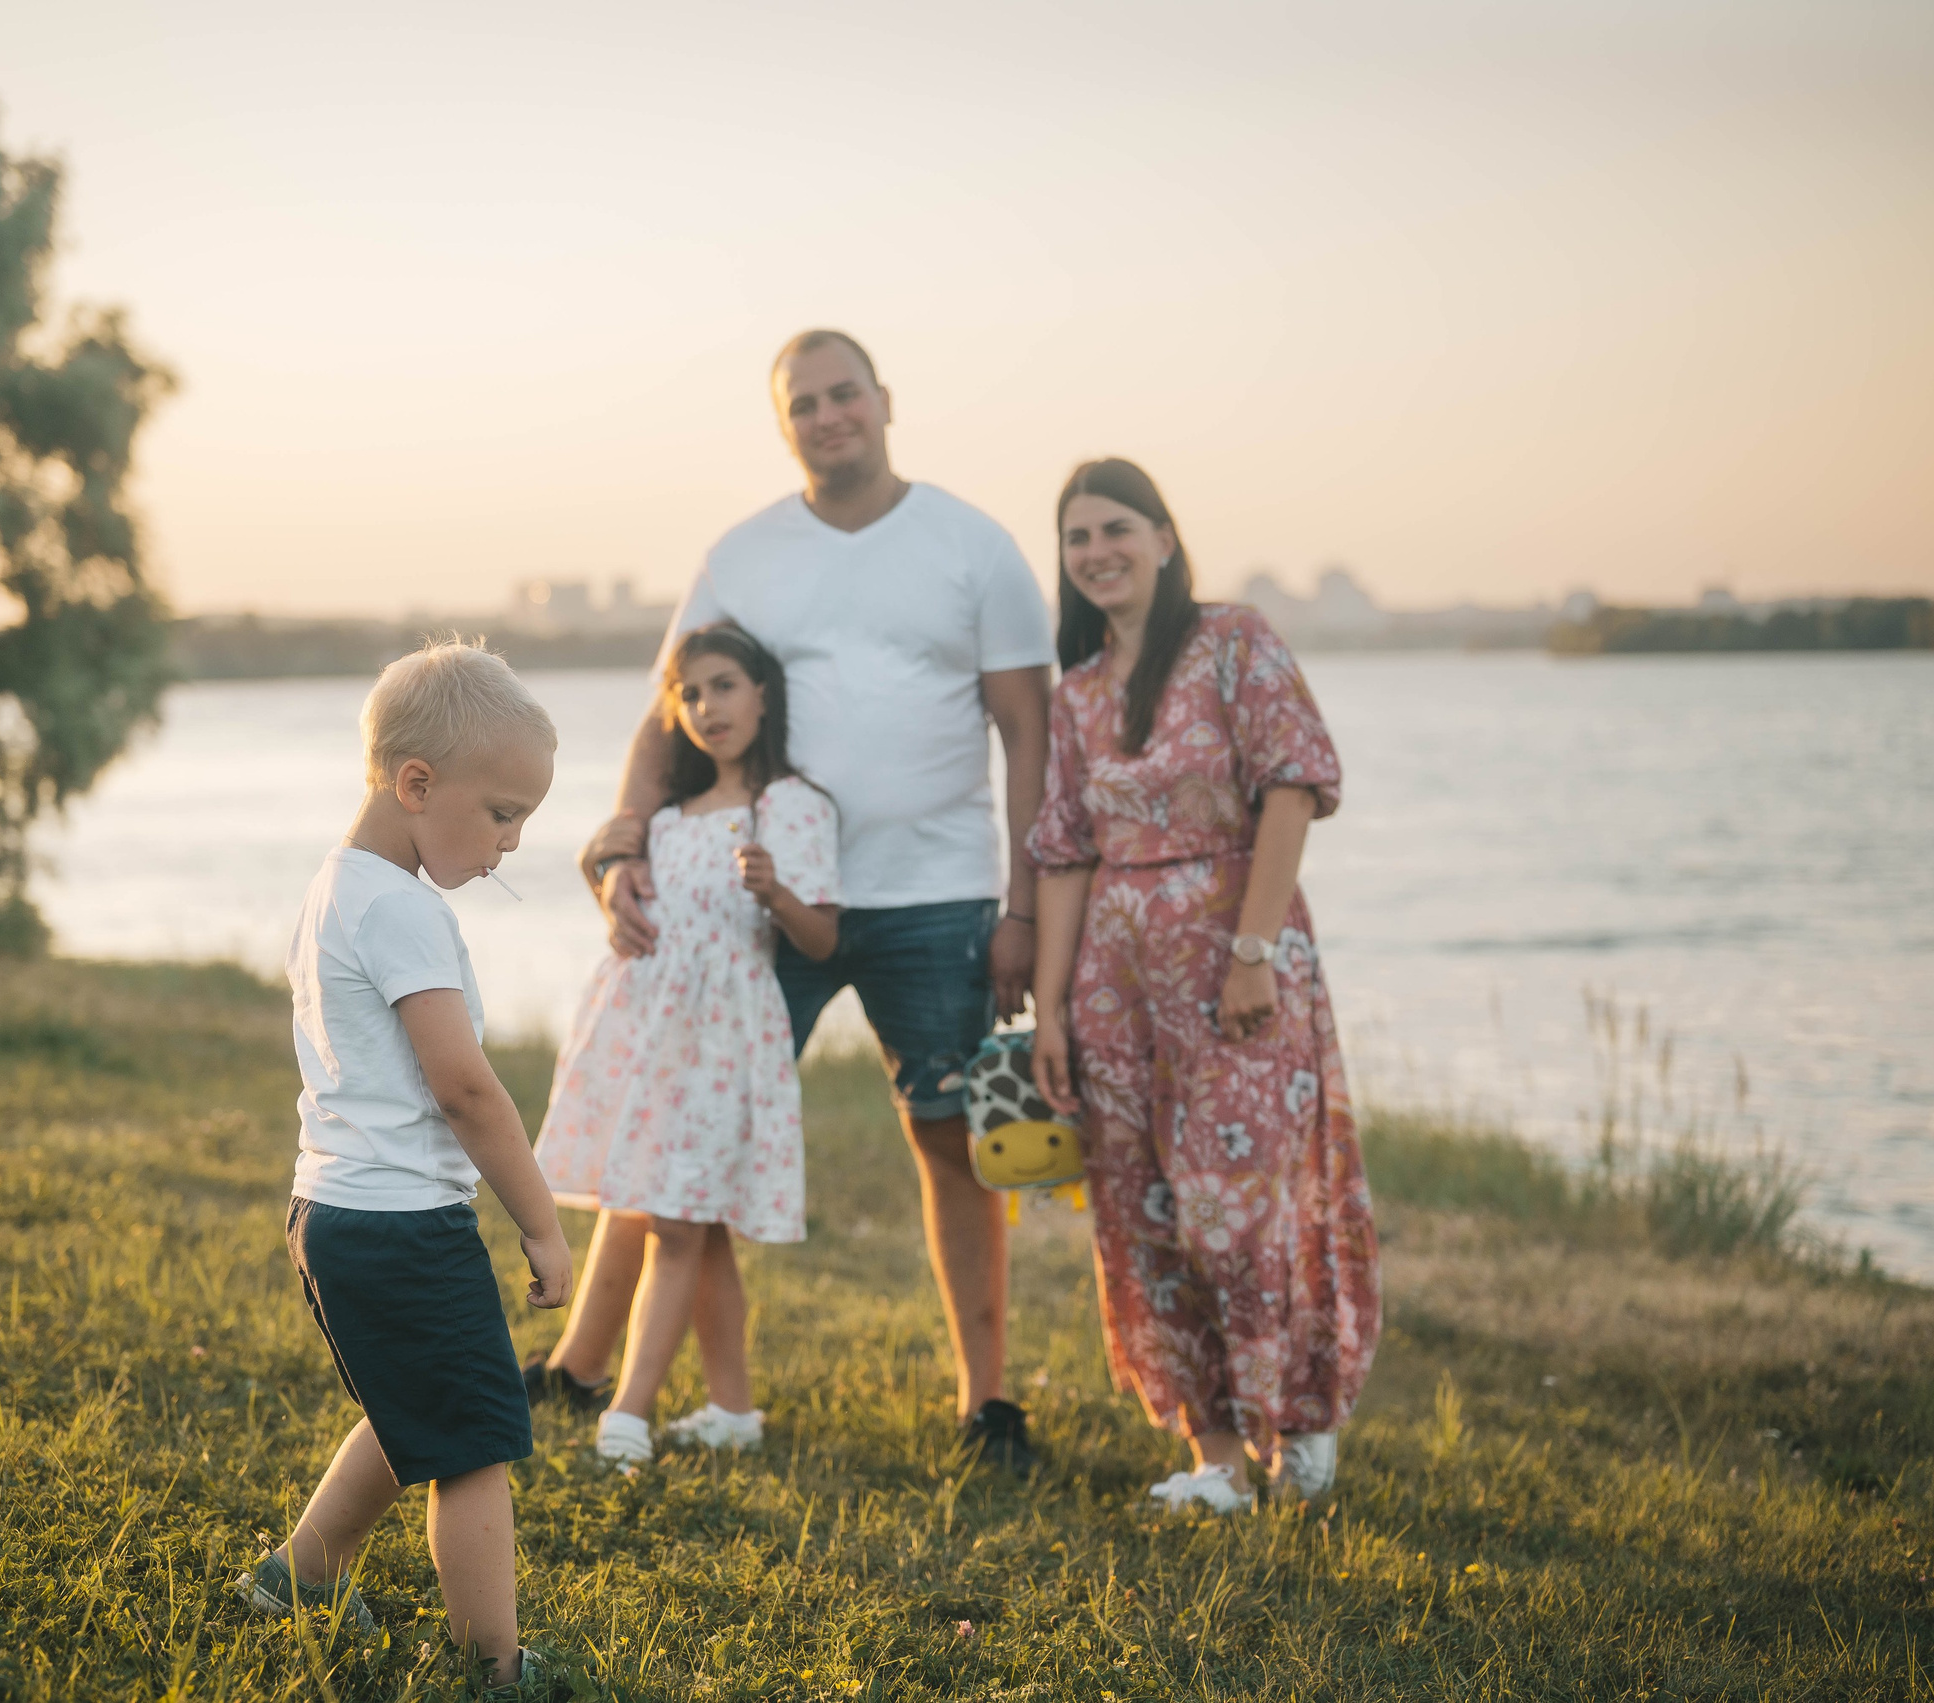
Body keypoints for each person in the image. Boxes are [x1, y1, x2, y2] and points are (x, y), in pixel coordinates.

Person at [563, 330, 1055, 1473]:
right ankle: (581, 1367)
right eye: (805, 404)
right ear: (783, 423)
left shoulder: (972, 545)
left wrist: (1024, 902)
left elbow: (1028, 731)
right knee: (668, 1116)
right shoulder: (743, 553)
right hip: (750, 904)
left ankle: (986, 1402)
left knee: (950, 1142)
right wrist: (623, 838)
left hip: (935, 893)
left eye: (846, 395)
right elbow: (663, 710)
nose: (830, 416)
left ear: (885, 400)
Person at [1027, 458, 1380, 1516]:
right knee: (1145, 1209)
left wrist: (1251, 950)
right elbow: (1063, 854)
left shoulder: (1233, 642)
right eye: (1077, 536)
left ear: (1164, 537)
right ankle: (1213, 1451)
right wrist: (1048, 1008)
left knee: (1246, 1203)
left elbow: (1291, 786)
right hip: (1114, 979)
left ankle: (1300, 1421)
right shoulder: (1078, 692)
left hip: (1236, 961)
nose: (1096, 551)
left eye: (1115, 528)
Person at [246, 641, 575, 1694]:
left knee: (411, 1410)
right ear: (416, 783)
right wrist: (540, 1219)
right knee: (473, 1444)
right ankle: (496, 1665)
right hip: (398, 1223)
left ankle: (298, 1575)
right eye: (501, 813)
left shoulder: (336, 888)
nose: (512, 842)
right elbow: (465, 1086)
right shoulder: (401, 908)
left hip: (334, 1210)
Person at [532, 623, 841, 1470]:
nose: (708, 706)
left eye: (725, 685)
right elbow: (624, 898)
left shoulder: (792, 806)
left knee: (675, 1218)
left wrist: (776, 890)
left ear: (763, 693)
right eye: (691, 692)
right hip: (647, 1038)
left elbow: (819, 940)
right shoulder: (664, 819)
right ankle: (733, 1409)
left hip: (724, 1040)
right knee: (691, 1223)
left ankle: (627, 1411)